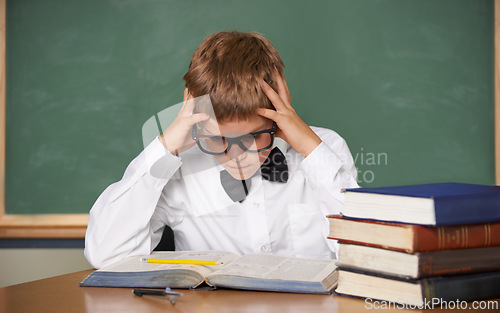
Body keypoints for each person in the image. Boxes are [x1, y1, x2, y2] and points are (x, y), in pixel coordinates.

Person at [84, 31, 359, 269]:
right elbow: (107, 254)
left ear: (277, 114)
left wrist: (311, 149)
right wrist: (165, 147)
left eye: (254, 136)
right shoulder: (178, 167)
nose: (238, 155)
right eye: (218, 140)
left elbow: (365, 255)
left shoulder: (326, 148)